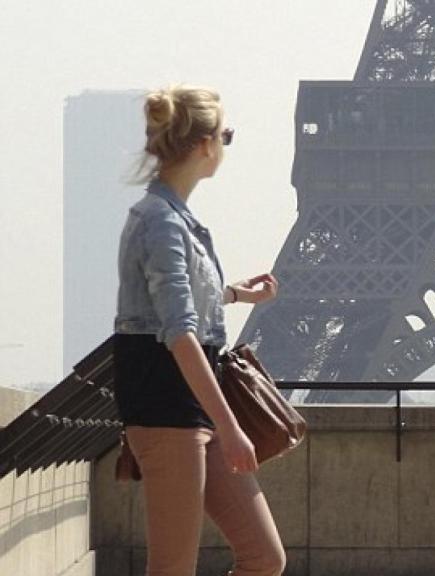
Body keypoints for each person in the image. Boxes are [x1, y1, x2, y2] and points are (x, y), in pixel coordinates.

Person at [113, 85, 285, 576]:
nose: (226, 147)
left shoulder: (176, 220)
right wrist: (230, 428)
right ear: (206, 144)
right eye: (226, 135)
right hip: (168, 405)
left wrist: (233, 295)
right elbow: (179, 333)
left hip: (193, 402)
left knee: (263, 558)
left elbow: (175, 305)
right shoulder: (160, 222)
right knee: (172, 568)